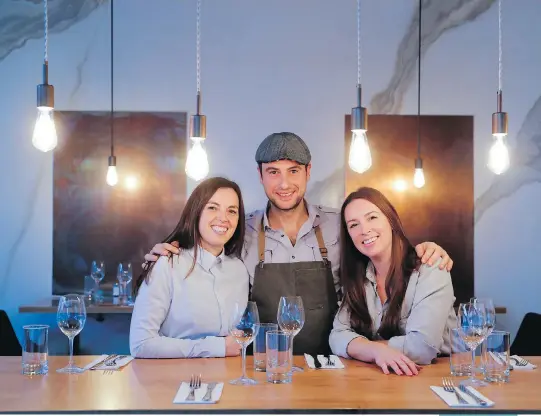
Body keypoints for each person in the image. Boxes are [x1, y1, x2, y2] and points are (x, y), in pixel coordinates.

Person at [143, 132, 454, 356]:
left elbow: (383, 244)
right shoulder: (239, 229)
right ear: (260, 176)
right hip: (263, 366)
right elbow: (204, 244)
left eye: (293, 171)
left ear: (308, 172)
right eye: (273, 172)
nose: (284, 183)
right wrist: (169, 251)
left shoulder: (341, 223)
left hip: (332, 362)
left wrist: (426, 248)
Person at [329, 187, 457, 376]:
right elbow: (337, 336)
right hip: (383, 379)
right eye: (353, 225)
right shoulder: (358, 278)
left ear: (390, 219)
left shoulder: (430, 267)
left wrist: (363, 347)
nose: (365, 230)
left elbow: (422, 348)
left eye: (372, 217)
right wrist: (375, 351)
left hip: (441, 379)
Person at [129, 177, 249, 358]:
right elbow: (141, 343)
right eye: (212, 207)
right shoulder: (168, 263)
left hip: (228, 379)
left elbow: (237, 336)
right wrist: (218, 347)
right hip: (173, 381)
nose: (223, 218)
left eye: (232, 211)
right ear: (196, 212)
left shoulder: (239, 270)